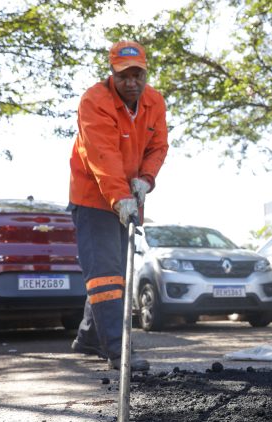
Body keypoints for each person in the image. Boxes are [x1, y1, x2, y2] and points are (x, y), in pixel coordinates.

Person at [68, 40, 169, 372]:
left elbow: (158, 146)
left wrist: (147, 179)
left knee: (113, 275)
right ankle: (117, 351)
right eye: (124, 75)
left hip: (128, 195)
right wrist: (119, 197)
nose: (132, 82)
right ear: (112, 72)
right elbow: (102, 155)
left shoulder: (154, 102)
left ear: (145, 72)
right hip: (94, 197)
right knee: (106, 276)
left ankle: (89, 336)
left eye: (138, 74)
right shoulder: (94, 101)